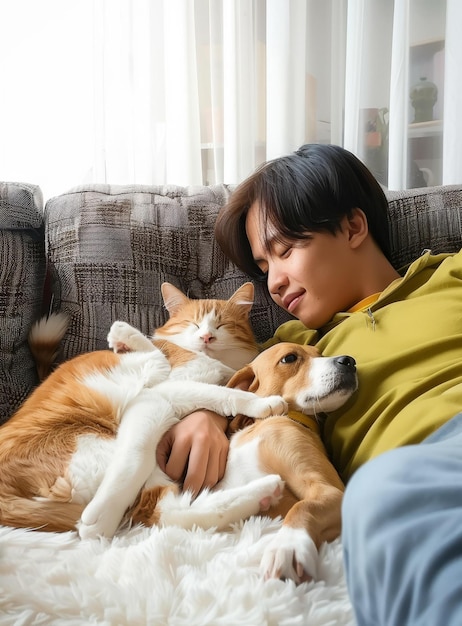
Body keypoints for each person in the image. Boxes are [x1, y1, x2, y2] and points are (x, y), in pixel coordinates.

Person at [157, 143, 462, 625]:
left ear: (353, 227)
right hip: (412, 480)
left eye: (285, 250)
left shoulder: (451, 276)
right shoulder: (292, 347)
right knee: (382, 495)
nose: (274, 283)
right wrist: (204, 414)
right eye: (263, 269)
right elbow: (238, 385)